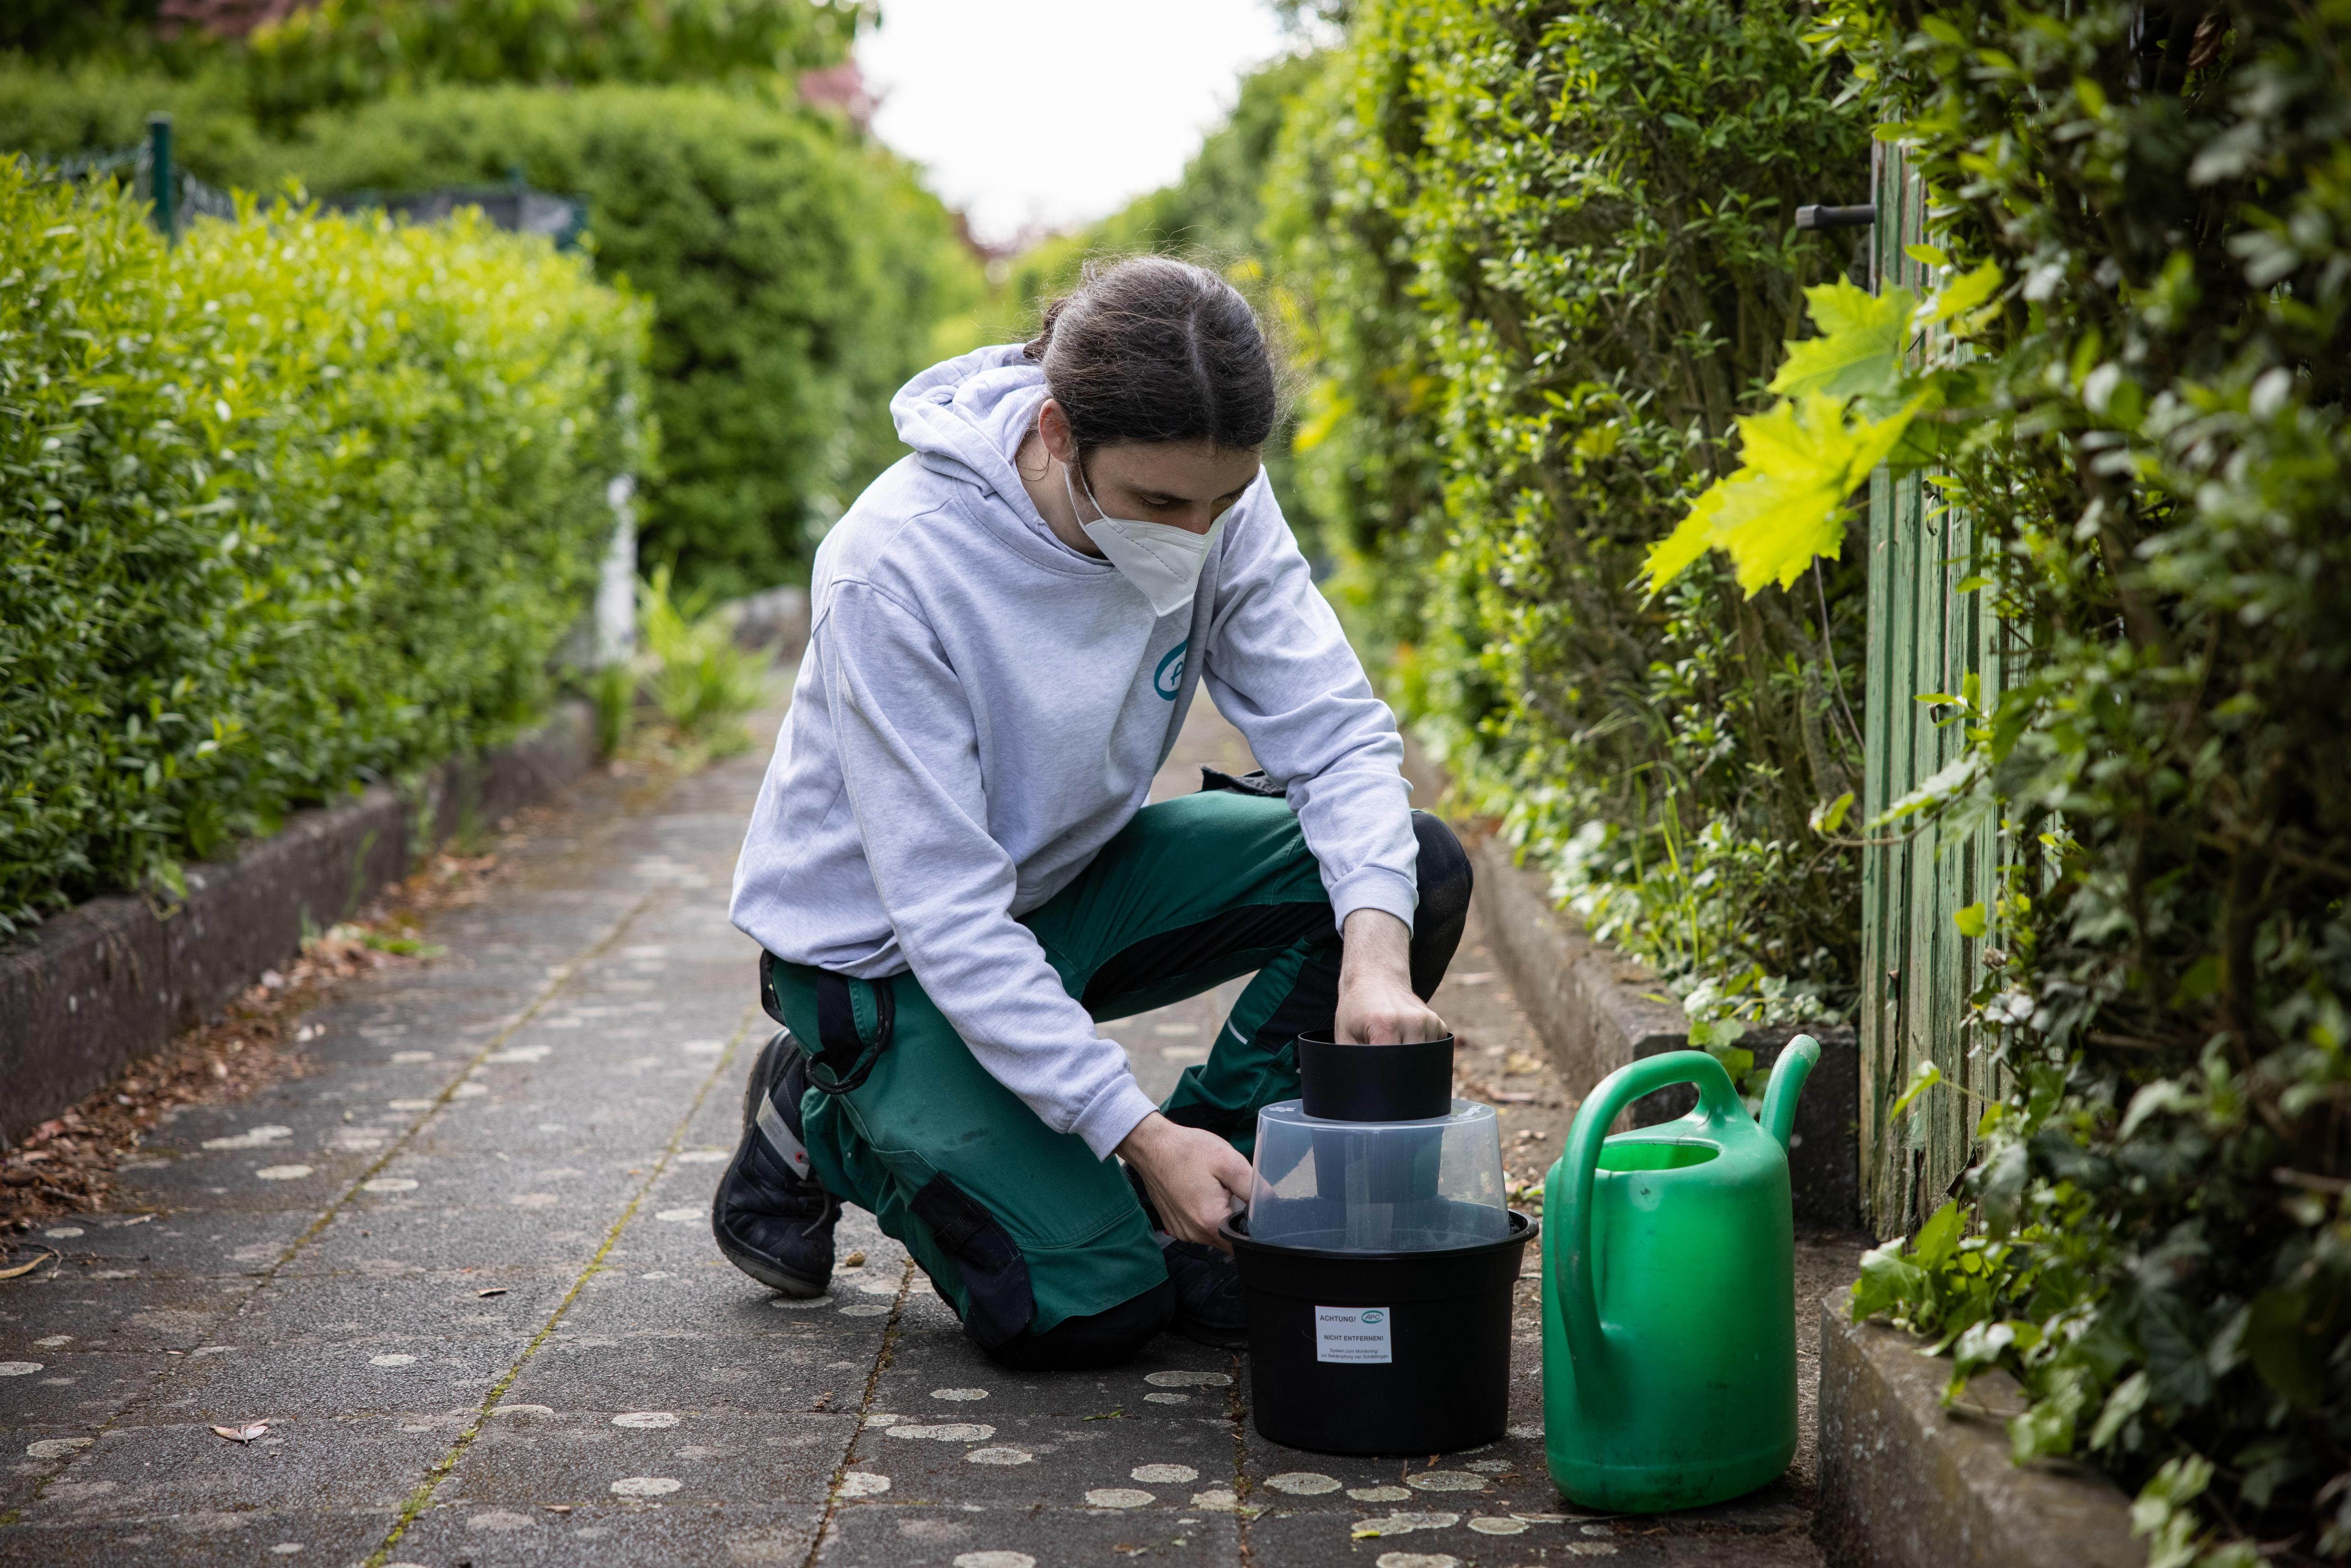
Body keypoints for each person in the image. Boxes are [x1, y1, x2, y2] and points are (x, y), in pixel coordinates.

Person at [715, 255, 1471, 1370]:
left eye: (1221, 502)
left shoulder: (1217, 497)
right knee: (1090, 1309)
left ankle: (1227, 1170)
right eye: (1162, 504)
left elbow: (1337, 733)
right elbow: (948, 917)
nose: (1195, 531)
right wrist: (1134, 1130)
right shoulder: (896, 567)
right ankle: (820, 1115)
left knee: (1405, 869)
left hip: (1062, 890)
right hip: (885, 962)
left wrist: (1373, 955)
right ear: (1062, 432)